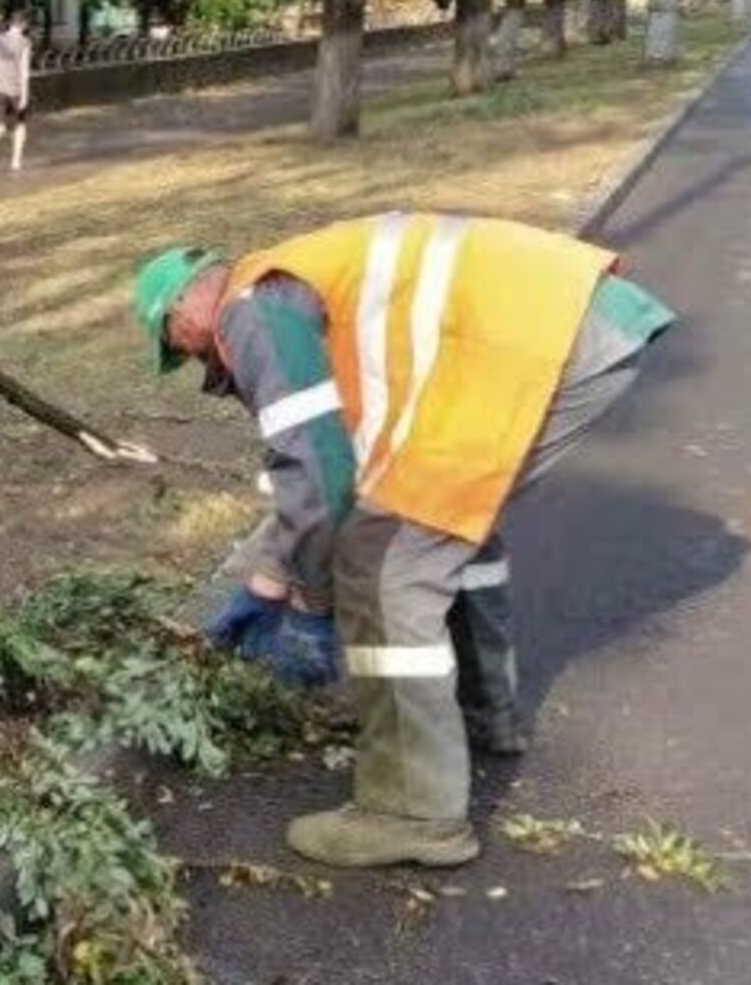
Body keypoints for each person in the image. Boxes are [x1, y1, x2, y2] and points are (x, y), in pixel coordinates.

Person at [131, 213, 675, 869]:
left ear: (184, 310)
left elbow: (318, 476)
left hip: (543, 343)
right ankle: (481, 712)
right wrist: (268, 575)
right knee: (445, 522)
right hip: (557, 327)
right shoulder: (291, 290)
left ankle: (412, 812)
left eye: (178, 345)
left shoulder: (251, 312)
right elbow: (338, 468)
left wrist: (306, 600)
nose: (192, 362)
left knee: (387, 569)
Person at [0, 10, 32, 175]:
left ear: (10, 23)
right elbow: (24, 72)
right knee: (19, 127)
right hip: (15, 90)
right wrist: (25, 95)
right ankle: (15, 163)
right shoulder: (24, 43)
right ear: (24, 25)